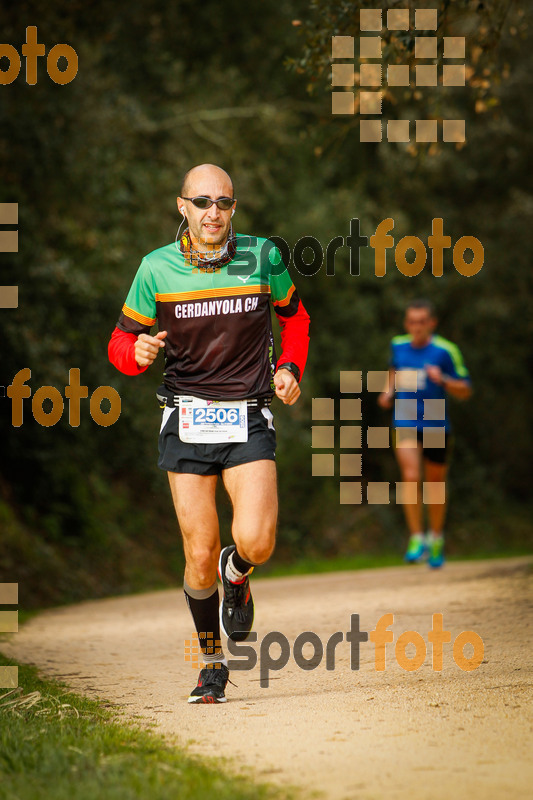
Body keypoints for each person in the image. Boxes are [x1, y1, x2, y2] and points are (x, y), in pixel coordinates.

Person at [108, 164, 310, 703]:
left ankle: (237, 572)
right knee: (197, 554)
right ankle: (211, 666)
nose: (212, 212)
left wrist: (290, 368)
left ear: (234, 209)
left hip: (247, 413)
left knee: (257, 542)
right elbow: (120, 344)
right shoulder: (156, 269)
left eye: (223, 203)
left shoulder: (264, 256)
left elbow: (297, 319)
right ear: (182, 207)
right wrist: (137, 353)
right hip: (187, 418)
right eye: (201, 202)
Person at [378, 299, 471, 568]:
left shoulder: (445, 351)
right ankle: (417, 538)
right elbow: (393, 371)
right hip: (405, 418)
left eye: (421, 322)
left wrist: (443, 379)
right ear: (406, 324)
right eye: (411, 322)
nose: (416, 327)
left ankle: (437, 538)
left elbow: (465, 388)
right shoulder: (398, 345)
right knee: (410, 476)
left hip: (435, 421)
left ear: (432, 323)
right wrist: (388, 390)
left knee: (434, 483)